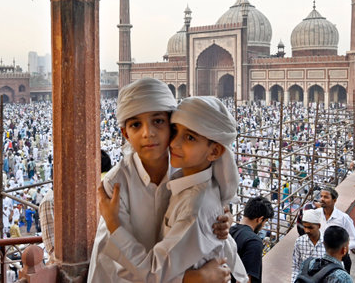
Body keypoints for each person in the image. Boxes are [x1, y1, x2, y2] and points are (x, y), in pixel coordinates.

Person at [88, 78, 232, 283]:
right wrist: (190, 279)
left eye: (158, 121)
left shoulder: (186, 170)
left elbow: (202, 216)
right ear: (125, 134)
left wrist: (219, 220)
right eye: (136, 125)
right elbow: (125, 266)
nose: (148, 133)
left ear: (172, 125)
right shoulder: (117, 183)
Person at [230, 196, 274, 283]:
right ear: (260, 219)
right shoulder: (254, 242)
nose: (264, 225)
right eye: (265, 221)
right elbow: (244, 280)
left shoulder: (229, 231)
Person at [318, 187, 355, 273]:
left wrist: (338, 248)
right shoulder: (316, 215)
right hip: (321, 260)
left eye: (326, 197)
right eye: (321, 196)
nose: (322, 199)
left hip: (340, 262)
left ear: (334, 200)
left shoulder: (343, 218)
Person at [291, 209, 325, 282]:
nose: (306, 230)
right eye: (305, 227)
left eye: (310, 227)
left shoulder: (327, 242)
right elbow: (296, 267)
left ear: (319, 226)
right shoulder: (299, 242)